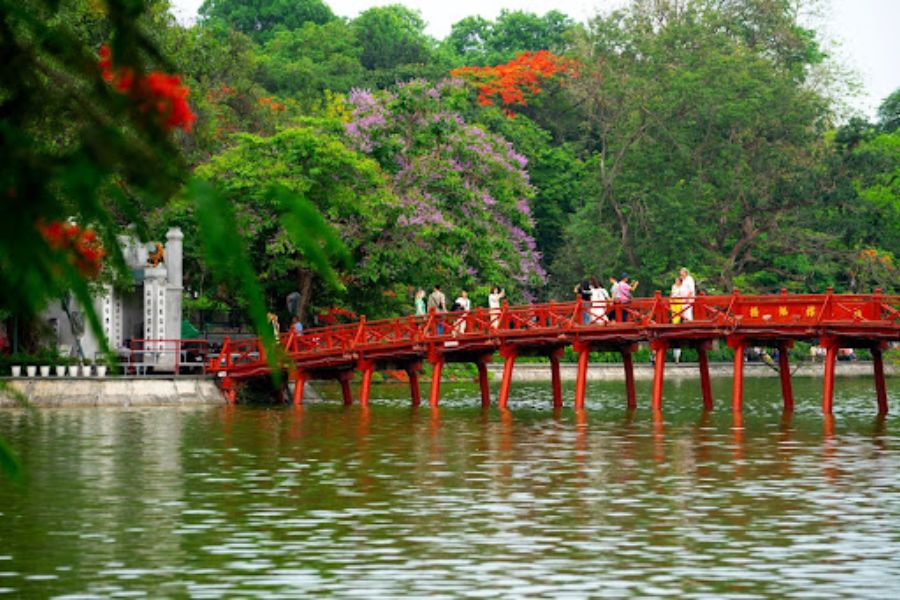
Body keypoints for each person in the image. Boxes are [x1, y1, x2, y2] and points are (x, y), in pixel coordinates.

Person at [670, 276, 684, 362]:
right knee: (674, 312)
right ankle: (674, 321)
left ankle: (678, 321)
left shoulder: (682, 287)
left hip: (679, 300)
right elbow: (672, 293)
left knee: (679, 312)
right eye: (675, 280)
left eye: (677, 280)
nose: (676, 282)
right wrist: (670, 298)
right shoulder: (673, 286)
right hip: (674, 300)